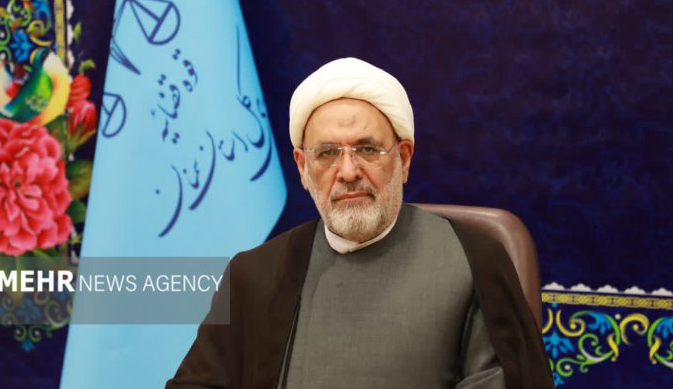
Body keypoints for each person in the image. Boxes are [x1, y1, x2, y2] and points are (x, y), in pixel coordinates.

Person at [167, 57, 553, 388]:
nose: (348, 171)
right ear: (303, 168)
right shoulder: (255, 274)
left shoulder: (475, 261)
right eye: (327, 154)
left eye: (367, 149)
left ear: (403, 158)